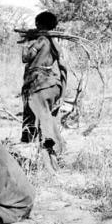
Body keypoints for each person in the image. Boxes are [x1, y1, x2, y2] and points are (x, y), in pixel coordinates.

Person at [20, 11, 67, 171]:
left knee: (42, 126)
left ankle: (49, 168)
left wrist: (27, 42)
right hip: (53, 85)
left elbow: (26, 57)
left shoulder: (40, 40)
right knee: (48, 121)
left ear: (40, 24)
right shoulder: (55, 43)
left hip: (39, 85)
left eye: (37, 24)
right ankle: (54, 161)